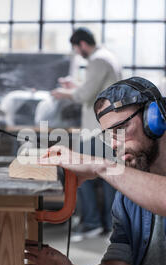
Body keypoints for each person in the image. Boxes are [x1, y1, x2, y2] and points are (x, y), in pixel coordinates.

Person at [25, 77, 166, 265]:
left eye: (121, 128)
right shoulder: (127, 196)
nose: (114, 144)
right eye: (109, 134)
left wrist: (100, 166)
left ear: (155, 119)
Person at [51, 27, 121, 241]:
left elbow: (85, 95)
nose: (77, 52)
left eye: (76, 48)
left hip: (97, 130)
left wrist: (64, 93)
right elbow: (93, 89)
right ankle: (110, 226)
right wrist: (75, 87)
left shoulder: (98, 60)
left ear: (82, 44)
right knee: (109, 177)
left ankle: (91, 223)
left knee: (79, 174)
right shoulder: (107, 58)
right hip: (106, 128)